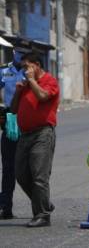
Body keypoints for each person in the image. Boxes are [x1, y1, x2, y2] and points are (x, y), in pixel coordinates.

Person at [10, 53, 59, 227]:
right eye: (23, 67)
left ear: (37, 65)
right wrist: (18, 91)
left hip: (42, 134)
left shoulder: (49, 81)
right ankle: (43, 203)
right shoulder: (26, 85)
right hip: (25, 134)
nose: (24, 70)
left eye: (27, 66)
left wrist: (31, 81)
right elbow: (14, 109)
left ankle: (42, 215)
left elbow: (43, 97)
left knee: (39, 176)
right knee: (21, 175)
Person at [0, 47, 28, 219]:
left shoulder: (31, 71)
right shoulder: (4, 70)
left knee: (30, 168)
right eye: (18, 53)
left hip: (27, 121)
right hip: (10, 120)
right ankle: (6, 207)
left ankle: (40, 206)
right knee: (8, 167)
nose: (20, 57)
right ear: (14, 52)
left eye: (23, 54)